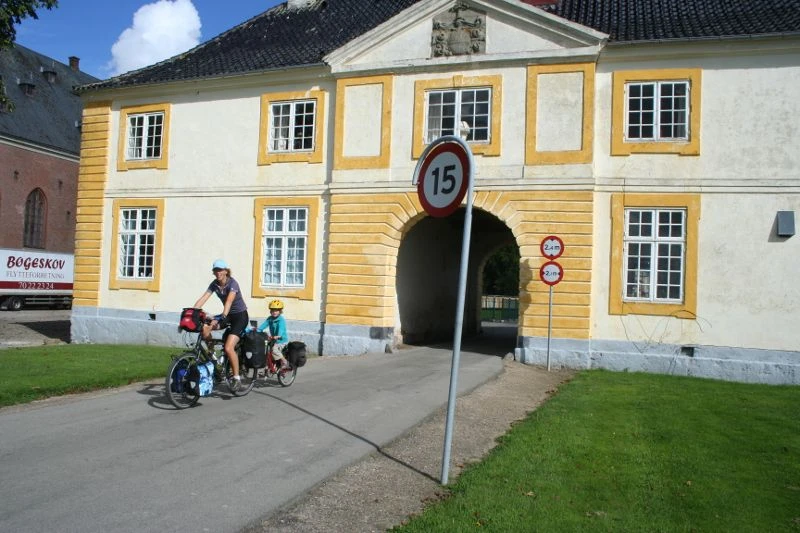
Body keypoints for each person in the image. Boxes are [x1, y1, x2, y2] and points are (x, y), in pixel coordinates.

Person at [193, 259, 249, 390]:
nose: (218, 273)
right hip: (227, 315)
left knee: (229, 348)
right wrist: (192, 312)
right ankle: (212, 356)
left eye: (220, 270)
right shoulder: (215, 284)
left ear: (225, 271)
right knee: (206, 329)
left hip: (240, 316)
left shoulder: (232, 283)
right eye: (215, 270)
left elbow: (229, 301)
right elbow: (203, 298)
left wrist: (221, 317)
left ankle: (236, 378)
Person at [256, 299, 289, 370]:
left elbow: (281, 328)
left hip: (281, 340)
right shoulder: (270, 319)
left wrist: (278, 335)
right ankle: (268, 367)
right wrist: (257, 330)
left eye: (276, 310)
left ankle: (284, 361)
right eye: (273, 310)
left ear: (280, 311)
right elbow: (264, 325)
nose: (274, 312)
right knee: (265, 351)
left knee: (274, 350)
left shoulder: (281, 320)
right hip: (273, 339)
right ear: (270, 311)